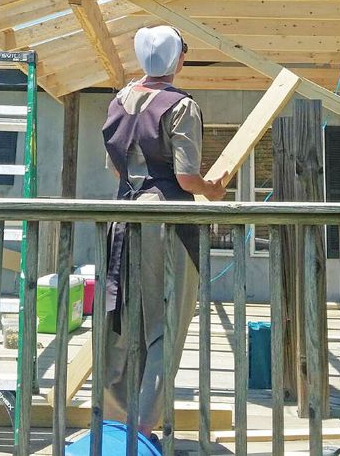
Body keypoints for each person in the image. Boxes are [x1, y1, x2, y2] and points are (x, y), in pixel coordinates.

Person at [101, 25, 228, 446]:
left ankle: (116, 420)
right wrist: (214, 188)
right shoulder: (181, 106)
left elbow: (120, 169)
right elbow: (186, 177)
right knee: (166, 320)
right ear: (179, 59)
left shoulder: (118, 101)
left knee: (122, 317)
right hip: (166, 224)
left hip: (124, 218)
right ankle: (145, 424)